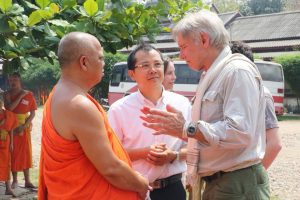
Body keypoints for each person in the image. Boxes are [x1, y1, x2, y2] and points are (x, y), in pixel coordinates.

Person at [140, 10, 270, 200]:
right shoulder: (213, 74)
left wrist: (187, 128)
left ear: (203, 39)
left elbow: (239, 132)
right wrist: (184, 129)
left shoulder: (236, 71)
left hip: (235, 181)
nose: (181, 55)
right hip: (221, 181)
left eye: (183, 47)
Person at [38, 32, 149, 199]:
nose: (104, 64)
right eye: (100, 58)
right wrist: (141, 183)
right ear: (84, 62)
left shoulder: (59, 94)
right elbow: (111, 169)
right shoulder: (78, 105)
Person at [108, 43, 191, 200]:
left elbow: (194, 148)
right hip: (135, 191)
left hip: (174, 189)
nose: (153, 70)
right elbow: (110, 156)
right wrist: (144, 152)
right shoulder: (119, 110)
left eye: (157, 64)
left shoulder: (181, 104)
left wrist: (173, 155)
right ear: (132, 74)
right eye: (145, 65)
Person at [230, 41, 282, 170]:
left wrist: (255, 177)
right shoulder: (233, 93)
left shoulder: (261, 94)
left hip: (245, 179)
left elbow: (274, 144)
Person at [4, 72, 37, 189]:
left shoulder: (29, 95)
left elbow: (33, 113)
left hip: (24, 127)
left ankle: (27, 180)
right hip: (12, 128)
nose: (13, 82)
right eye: (11, 80)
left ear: (20, 80)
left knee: (26, 153)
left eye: (15, 80)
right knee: (13, 153)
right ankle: (15, 180)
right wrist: (20, 96)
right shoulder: (7, 94)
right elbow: (9, 109)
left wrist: (25, 125)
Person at [0, 91, 18, 197]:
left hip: (5, 141)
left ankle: (8, 188)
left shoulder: (8, 114)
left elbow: (10, 128)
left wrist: (11, 142)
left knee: (7, 163)